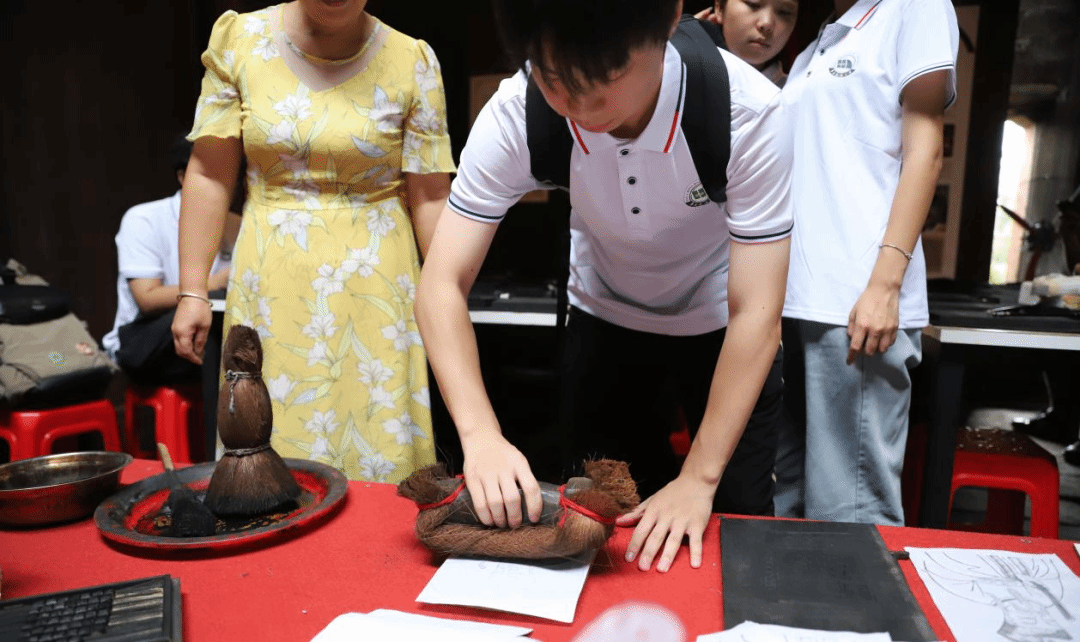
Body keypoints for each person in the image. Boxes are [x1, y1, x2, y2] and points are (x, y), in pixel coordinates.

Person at [415, 0, 792, 573]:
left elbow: (757, 312)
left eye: (605, 78)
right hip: (604, 317)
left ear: (669, 17)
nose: (580, 107)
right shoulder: (519, 112)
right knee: (596, 537)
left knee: (731, 540)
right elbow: (440, 283)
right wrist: (480, 435)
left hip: (722, 326)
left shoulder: (748, 113)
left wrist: (698, 479)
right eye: (555, 80)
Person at [172, 0, 453, 483]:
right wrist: (192, 289)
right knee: (267, 445)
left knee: (380, 443)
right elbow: (209, 173)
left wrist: (448, 298)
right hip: (272, 283)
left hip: (379, 288)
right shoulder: (240, 41)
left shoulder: (412, 61)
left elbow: (430, 195)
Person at [774, 0, 959, 524]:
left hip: (856, 302)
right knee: (786, 504)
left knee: (850, 512)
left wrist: (885, 286)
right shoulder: (822, 40)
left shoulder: (915, 8)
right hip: (796, 301)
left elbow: (925, 151)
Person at [103, 137, 238, 386]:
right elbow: (147, 299)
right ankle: (216, 413)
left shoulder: (236, 223)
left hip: (207, 338)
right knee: (213, 316)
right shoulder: (144, 219)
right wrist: (216, 282)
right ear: (183, 177)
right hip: (142, 339)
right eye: (211, 174)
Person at [695, 0, 799, 86]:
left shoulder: (795, 98)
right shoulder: (688, 71)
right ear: (720, 8)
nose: (766, 23)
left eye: (784, 12)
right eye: (753, 4)